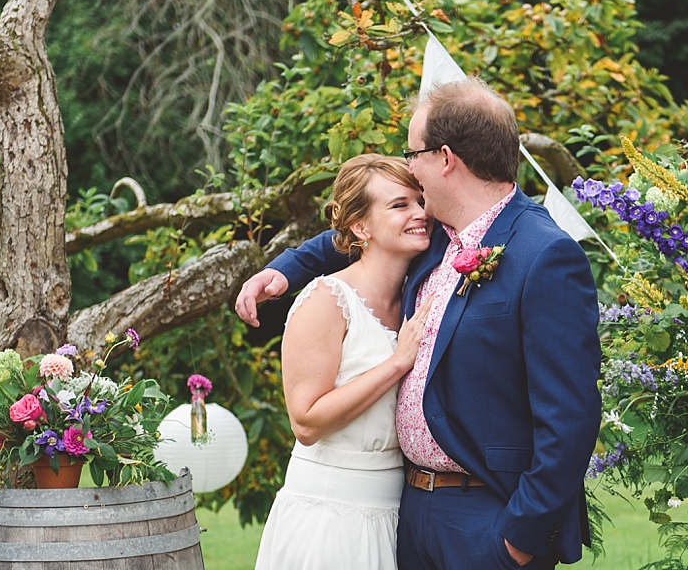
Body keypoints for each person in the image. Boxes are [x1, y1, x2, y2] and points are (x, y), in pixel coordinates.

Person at [238, 78, 602, 569]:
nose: (410, 169)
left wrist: (519, 538)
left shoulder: (545, 254)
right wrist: (284, 270)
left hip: (486, 520)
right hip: (405, 511)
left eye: (413, 154)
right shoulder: (431, 236)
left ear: (445, 158)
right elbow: (352, 233)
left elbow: (571, 418)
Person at [254, 154, 435, 569]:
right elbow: (306, 422)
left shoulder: (419, 294)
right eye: (399, 205)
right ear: (360, 227)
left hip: (399, 517)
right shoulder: (326, 300)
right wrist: (396, 362)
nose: (420, 214)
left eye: (419, 201)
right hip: (329, 518)